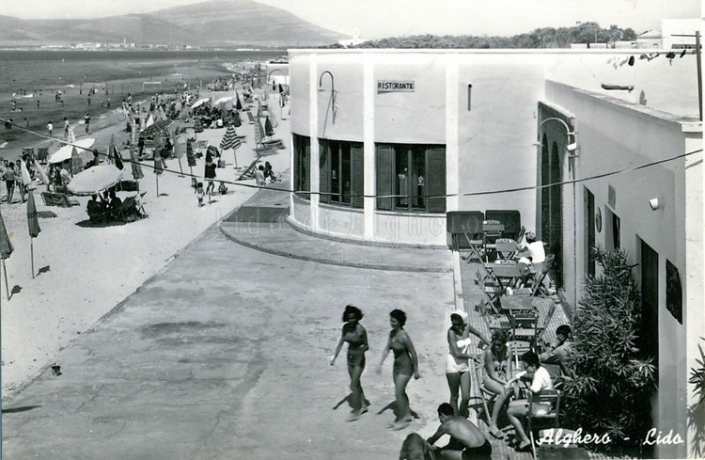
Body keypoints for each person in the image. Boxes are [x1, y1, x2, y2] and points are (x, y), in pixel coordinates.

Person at [377, 309, 420, 430]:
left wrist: (416, 370)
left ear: (400, 322)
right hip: (396, 367)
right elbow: (387, 349)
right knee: (401, 392)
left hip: (406, 368)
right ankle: (407, 415)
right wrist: (380, 363)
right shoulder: (391, 334)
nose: (391, 323)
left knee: (398, 393)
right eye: (391, 320)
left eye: (394, 321)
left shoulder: (404, 337)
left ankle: (401, 420)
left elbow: (413, 353)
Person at [504, 351, 553, 452]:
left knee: (510, 412)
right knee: (511, 404)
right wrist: (513, 379)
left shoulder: (538, 376)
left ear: (533, 366)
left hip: (540, 408)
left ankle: (525, 439)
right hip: (543, 403)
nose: (525, 369)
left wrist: (529, 388)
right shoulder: (541, 369)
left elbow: (535, 389)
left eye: (526, 367)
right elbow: (526, 374)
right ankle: (519, 436)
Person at [445, 311, 489, 418]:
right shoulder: (451, 333)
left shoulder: (467, 327)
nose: (455, 326)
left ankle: (461, 415)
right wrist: (471, 356)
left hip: (464, 366)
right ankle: (455, 419)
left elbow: (479, 334)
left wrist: (490, 344)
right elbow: (456, 353)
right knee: (455, 396)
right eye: (453, 324)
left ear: (463, 322)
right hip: (452, 365)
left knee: (466, 397)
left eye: (458, 324)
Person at [330, 305, 370, 421]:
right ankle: (363, 405)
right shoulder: (345, 328)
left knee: (353, 383)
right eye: (349, 318)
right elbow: (341, 343)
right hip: (350, 357)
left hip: (359, 358)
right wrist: (334, 358)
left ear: (357, 317)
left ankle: (357, 408)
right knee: (356, 383)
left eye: (353, 318)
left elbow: (367, 346)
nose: (351, 320)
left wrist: (361, 350)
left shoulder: (361, 330)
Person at [426, 403, 492, 460]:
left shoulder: (446, 425)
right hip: (487, 447)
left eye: (440, 419)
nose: (441, 422)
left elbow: (431, 440)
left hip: (476, 454)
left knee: (441, 453)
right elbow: (453, 444)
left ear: (442, 415)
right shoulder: (460, 418)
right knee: (457, 445)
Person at [483, 329, 512, 439]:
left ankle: (514, 418)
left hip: (502, 377)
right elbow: (492, 374)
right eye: (494, 344)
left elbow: (509, 372)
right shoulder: (489, 352)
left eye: (499, 345)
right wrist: (505, 383)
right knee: (503, 392)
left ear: (504, 344)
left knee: (514, 389)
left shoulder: (508, 351)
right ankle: (493, 425)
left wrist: (509, 382)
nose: (496, 347)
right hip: (489, 378)